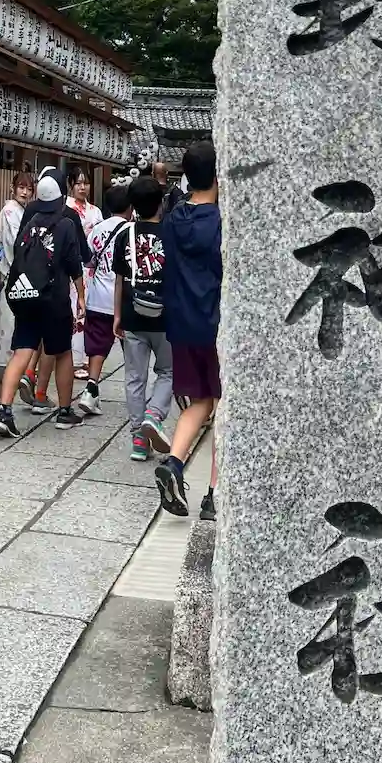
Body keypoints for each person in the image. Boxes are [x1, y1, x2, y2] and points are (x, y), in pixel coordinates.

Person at [154, 140, 221, 520]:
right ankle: (215, 495)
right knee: (225, 407)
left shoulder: (173, 218)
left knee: (199, 401)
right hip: (216, 326)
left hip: (181, 325)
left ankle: (175, 463)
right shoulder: (222, 223)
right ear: (218, 175)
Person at [0, 174, 86, 437]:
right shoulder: (66, 225)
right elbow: (74, 265)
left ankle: (4, 411)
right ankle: (65, 411)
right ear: (59, 200)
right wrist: (80, 296)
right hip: (53, 300)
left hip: (26, 296)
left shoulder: (29, 223)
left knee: (22, 352)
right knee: (62, 352)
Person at [17, 164, 92, 411]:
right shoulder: (68, 216)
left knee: (31, 339)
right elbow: (80, 256)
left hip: (28, 286)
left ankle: (27, 375)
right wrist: (81, 295)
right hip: (57, 289)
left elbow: (19, 245)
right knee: (55, 344)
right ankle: (43, 395)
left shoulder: (30, 211)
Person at [113, 175, 175, 460]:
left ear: (133, 206)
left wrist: (117, 315)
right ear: (160, 202)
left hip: (132, 312)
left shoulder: (125, 235)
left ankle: (139, 439)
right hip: (165, 316)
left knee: (135, 377)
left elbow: (119, 279)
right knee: (168, 371)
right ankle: (155, 414)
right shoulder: (171, 234)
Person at [75, 182, 131, 414]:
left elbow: (88, 261)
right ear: (130, 207)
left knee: (97, 346)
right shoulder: (132, 230)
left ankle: (91, 388)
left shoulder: (97, 230)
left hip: (98, 298)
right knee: (132, 349)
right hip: (124, 300)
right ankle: (135, 396)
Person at [0, 171, 35, 367]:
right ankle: (10, 366)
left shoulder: (21, 210)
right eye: (21, 187)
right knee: (10, 322)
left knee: (16, 321)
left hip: (20, 270)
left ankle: (15, 366)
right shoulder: (10, 210)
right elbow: (13, 242)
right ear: (13, 188)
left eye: (29, 189)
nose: (25, 192)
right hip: (14, 271)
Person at [66, 166, 102, 379]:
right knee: (73, 311)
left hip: (90, 269)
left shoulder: (95, 211)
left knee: (88, 313)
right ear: (71, 185)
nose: (82, 187)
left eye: (85, 183)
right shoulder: (66, 208)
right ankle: (72, 359)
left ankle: (86, 359)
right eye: (78, 183)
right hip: (72, 267)